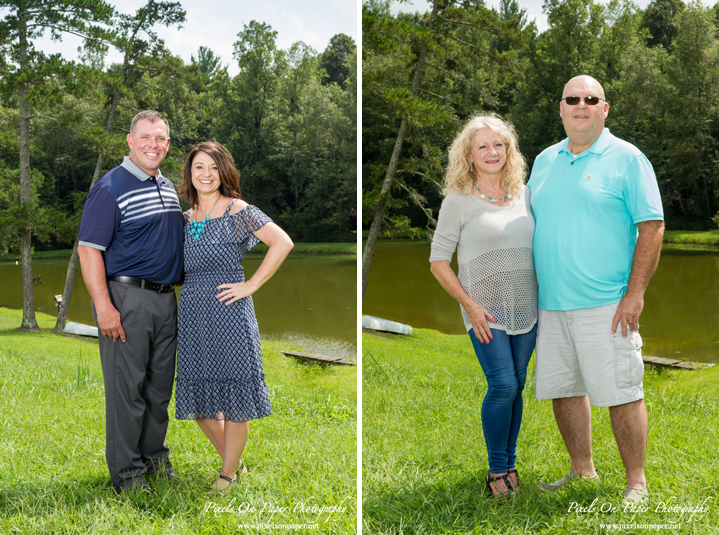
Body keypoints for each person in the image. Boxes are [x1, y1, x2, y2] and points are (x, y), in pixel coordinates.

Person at [528, 75, 664, 503]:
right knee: (564, 389)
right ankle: (582, 470)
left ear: (604, 109)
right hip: (549, 305)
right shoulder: (544, 161)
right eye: (573, 99)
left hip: (607, 304)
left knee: (622, 393)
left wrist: (635, 295)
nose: (581, 105)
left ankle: (635, 483)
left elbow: (653, 227)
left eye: (591, 99)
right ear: (561, 108)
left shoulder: (628, 158)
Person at [175, 141, 293, 491]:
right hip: (193, 314)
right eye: (199, 167)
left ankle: (227, 476)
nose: (206, 174)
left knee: (235, 400)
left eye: (213, 167)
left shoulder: (238, 210)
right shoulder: (184, 219)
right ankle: (236, 464)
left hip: (229, 315)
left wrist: (251, 285)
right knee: (199, 404)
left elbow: (282, 242)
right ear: (190, 174)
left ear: (223, 171)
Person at [430, 114, 537, 498]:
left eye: (499, 145)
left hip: (527, 307)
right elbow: (438, 262)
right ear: (469, 156)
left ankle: (510, 464)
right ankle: (496, 473)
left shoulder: (526, 192)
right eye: (483, 146)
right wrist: (470, 305)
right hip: (484, 310)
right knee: (503, 383)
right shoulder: (457, 201)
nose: (493, 152)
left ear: (509, 151)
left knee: (518, 385)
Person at [78, 110, 183, 493]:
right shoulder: (111, 187)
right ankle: (128, 476)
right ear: (129, 140)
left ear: (168, 143)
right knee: (128, 392)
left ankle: (154, 460)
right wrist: (104, 307)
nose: (154, 145)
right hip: (126, 298)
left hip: (164, 299)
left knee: (158, 391)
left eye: (161, 139)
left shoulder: (167, 186)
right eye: (146, 138)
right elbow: (89, 250)